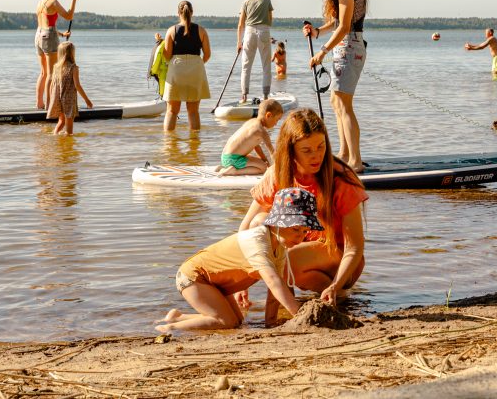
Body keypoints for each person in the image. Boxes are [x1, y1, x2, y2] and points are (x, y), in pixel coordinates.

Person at [239, 108, 367, 304]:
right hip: (300, 257)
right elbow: (246, 228)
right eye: (307, 150)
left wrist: (336, 284)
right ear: (290, 150)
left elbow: (355, 247)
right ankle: (314, 301)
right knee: (259, 222)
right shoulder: (278, 173)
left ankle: (336, 292)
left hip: (342, 261)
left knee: (285, 260)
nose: (316, 156)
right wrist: (242, 282)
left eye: (321, 147)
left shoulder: (341, 179)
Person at [156, 187, 321, 332]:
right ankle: (169, 328)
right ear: (276, 224)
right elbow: (272, 281)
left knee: (237, 322)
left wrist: (270, 323)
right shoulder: (257, 239)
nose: (300, 237)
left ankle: (177, 317)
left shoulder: (279, 248)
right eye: (295, 229)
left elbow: (274, 293)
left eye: (305, 231)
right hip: (194, 277)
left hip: (216, 283)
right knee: (225, 322)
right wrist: (299, 315)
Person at [302, 0, 369, 173]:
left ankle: (355, 160)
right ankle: (344, 154)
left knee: (344, 104)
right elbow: (336, 22)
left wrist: (322, 52)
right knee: (336, 101)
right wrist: (317, 31)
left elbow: (344, 27)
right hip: (344, 47)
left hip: (350, 46)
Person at [162, 0, 211, 131]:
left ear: (178, 13)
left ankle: (169, 141)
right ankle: (194, 142)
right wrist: (197, 64)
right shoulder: (201, 30)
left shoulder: (171, 30)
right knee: (193, 111)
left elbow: (167, 55)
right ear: (192, 12)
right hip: (196, 69)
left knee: (172, 111)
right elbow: (207, 55)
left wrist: (159, 44)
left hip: (176, 69)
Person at [35, 0, 79, 110]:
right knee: (51, 73)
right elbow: (69, 16)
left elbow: (45, 26)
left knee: (43, 73)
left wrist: (61, 34)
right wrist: (74, 0)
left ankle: (39, 103)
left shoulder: (40, 3)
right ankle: (50, 105)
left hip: (38, 36)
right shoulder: (53, 2)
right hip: (49, 38)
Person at [217, 98, 284, 176]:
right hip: (234, 160)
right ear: (268, 115)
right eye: (277, 120)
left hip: (225, 157)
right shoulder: (261, 131)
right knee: (263, 168)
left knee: (261, 162)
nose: (276, 124)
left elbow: (256, 146)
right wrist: (278, 170)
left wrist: (265, 160)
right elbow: (272, 152)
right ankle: (234, 171)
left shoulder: (251, 122)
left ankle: (225, 166)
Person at [237, 0, 274, 102]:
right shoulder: (267, 0)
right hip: (264, 31)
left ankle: (244, 96)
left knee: (246, 66)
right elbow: (270, 20)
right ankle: (266, 96)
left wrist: (239, 42)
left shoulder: (246, 2)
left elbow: (240, 24)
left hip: (249, 32)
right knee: (266, 66)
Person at [46, 41, 93, 135]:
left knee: (61, 121)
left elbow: (52, 84)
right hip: (69, 100)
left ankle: (54, 137)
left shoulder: (56, 67)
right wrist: (87, 100)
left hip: (57, 99)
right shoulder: (73, 68)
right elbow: (77, 85)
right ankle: (67, 142)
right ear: (72, 53)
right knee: (69, 131)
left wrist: (51, 99)